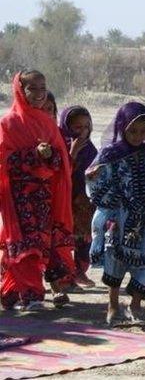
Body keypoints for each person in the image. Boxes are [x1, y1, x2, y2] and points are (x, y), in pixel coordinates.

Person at [0, 71, 74, 311]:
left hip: (44, 195)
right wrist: (33, 155)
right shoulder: (8, 123)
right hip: (18, 196)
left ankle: (11, 290)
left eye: (43, 89)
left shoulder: (46, 122)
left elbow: (60, 160)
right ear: (21, 90)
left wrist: (50, 155)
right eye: (34, 89)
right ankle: (32, 294)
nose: (40, 94)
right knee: (25, 243)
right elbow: (4, 159)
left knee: (40, 242)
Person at [87, 102, 145, 326]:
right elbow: (94, 184)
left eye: (143, 131)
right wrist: (113, 200)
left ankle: (136, 304)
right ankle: (112, 303)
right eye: (133, 131)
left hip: (144, 217)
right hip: (117, 217)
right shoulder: (109, 155)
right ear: (122, 127)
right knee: (115, 258)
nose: (138, 136)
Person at [58, 105, 97, 289]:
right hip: (64, 198)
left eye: (86, 127)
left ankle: (80, 271)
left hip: (84, 201)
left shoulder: (90, 149)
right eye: (77, 128)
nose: (82, 132)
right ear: (67, 127)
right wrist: (72, 154)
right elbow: (59, 171)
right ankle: (64, 276)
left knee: (84, 237)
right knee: (65, 237)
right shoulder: (59, 146)